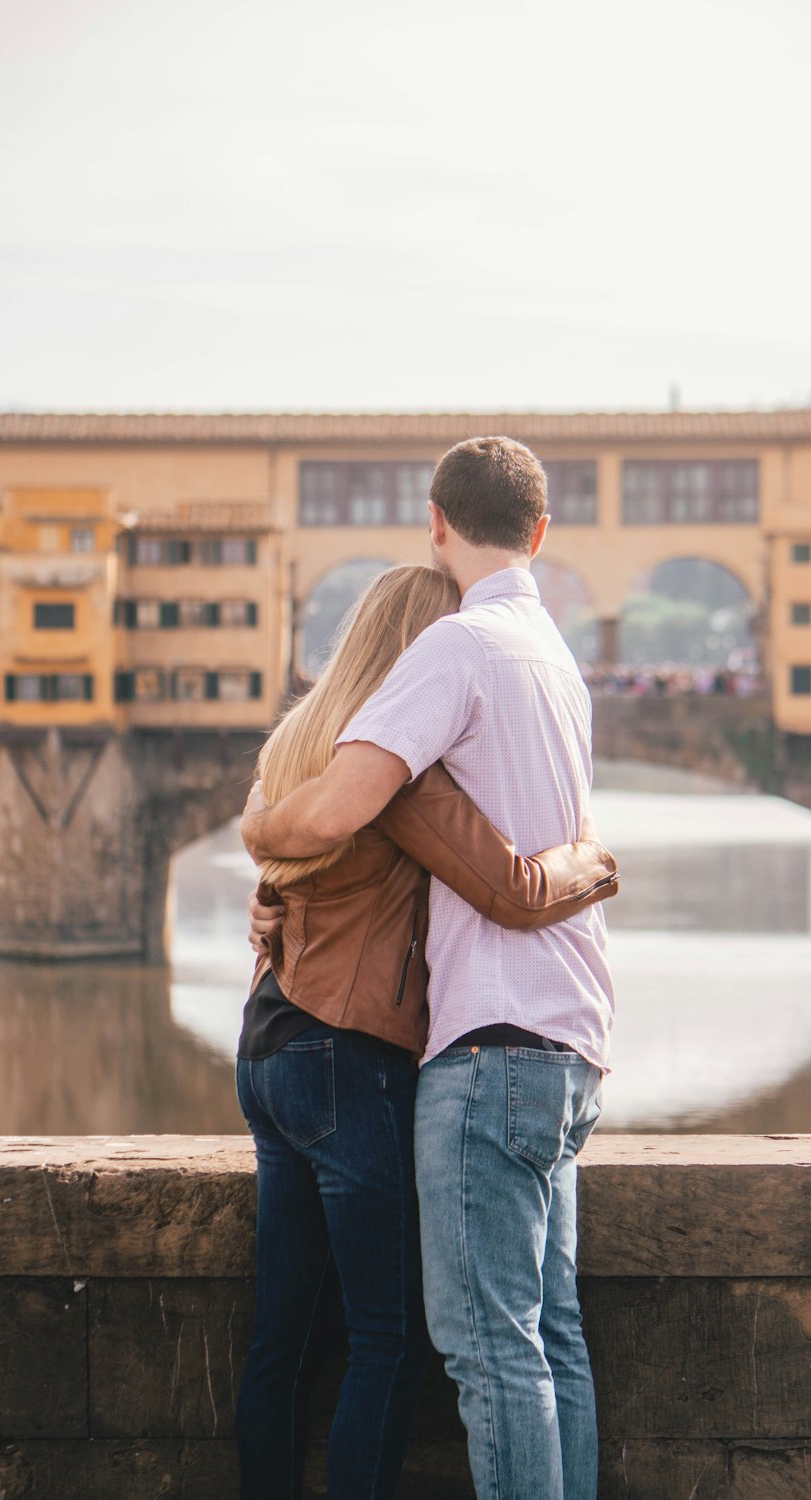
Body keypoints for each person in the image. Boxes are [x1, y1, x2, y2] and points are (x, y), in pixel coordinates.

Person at [243, 437, 614, 1500]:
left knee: (490, 1355)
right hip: (575, 1036)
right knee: (554, 1340)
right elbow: (534, 854)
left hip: (489, 1045)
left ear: (435, 520)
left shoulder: (455, 649)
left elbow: (337, 807)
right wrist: (591, 867)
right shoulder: (560, 663)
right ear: (541, 533)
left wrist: (258, 826)